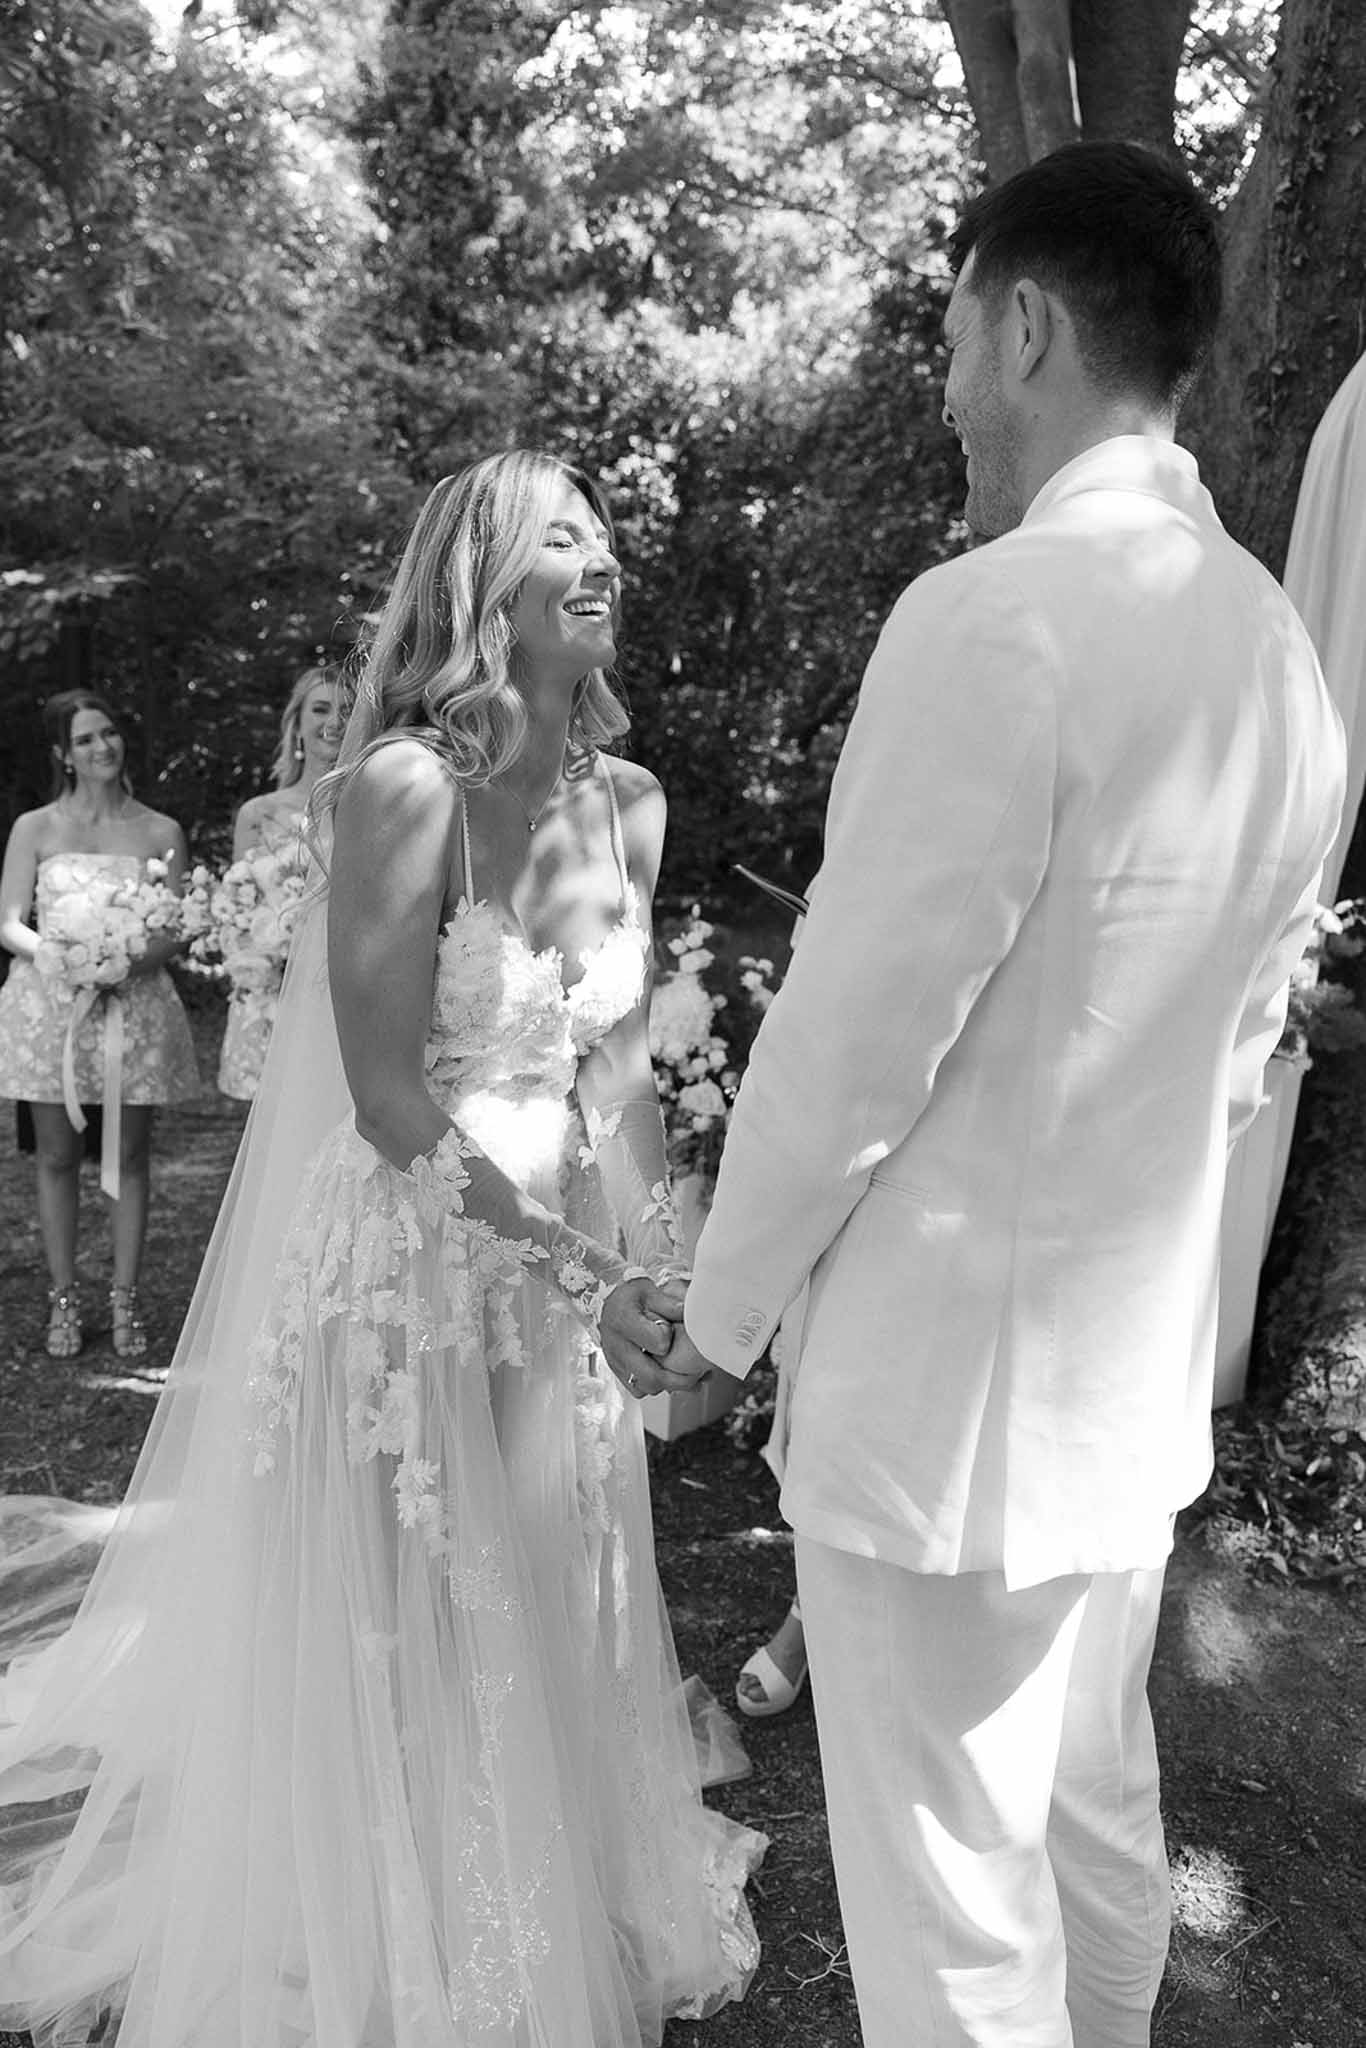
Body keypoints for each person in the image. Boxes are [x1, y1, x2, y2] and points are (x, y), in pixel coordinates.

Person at [675, 141, 1347, 2045]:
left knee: (958, 1929)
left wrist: (721, 1320)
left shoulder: (992, 618)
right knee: (1094, 1837)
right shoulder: (1279, 660)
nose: (947, 386)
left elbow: (846, 1044)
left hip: (939, 1438)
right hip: (1116, 1408)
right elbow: (1237, 1066)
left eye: (955, 336)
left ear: (1029, 321)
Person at [0, 451, 763, 2048]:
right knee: (419, 1595)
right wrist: (584, 1271)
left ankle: (537, 1877)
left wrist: (672, 1266)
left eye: (603, 529)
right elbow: (389, 1094)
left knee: (550, 1569)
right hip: (412, 1255)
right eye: (560, 534)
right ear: (485, 583)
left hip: (566, 1267)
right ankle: (394, 1922)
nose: (600, 555)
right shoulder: (407, 787)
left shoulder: (629, 801)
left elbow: (616, 1075)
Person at [0, 690, 199, 1360]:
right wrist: (71, 958)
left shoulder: (160, 831)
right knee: (57, 1155)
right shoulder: (35, 828)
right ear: (62, 754)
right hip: (50, 1007)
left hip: (132, 1009)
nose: (103, 747)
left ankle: (125, 1300)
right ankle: (63, 1299)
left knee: (129, 1157)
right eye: (85, 739)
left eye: (109, 733)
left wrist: (125, 962)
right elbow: (9, 924)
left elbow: (178, 926)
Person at [217, 664, 351, 1099]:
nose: (334, 722)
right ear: (296, 726)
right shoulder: (258, 814)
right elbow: (239, 909)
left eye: (347, 710)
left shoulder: (370, 808)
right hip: (269, 994)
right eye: (320, 708)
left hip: (341, 994)